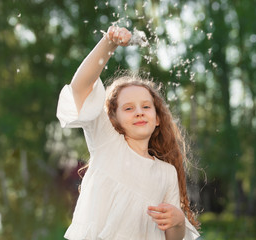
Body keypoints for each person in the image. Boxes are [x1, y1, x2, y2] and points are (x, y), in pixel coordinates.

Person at [56, 24, 201, 240]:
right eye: (128, 108)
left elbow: (173, 237)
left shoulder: (166, 173)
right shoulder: (106, 142)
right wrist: (109, 43)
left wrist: (178, 220)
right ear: (114, 119)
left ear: (158, 118)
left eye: (146, 107)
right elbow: (80, 87)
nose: (139, 113)